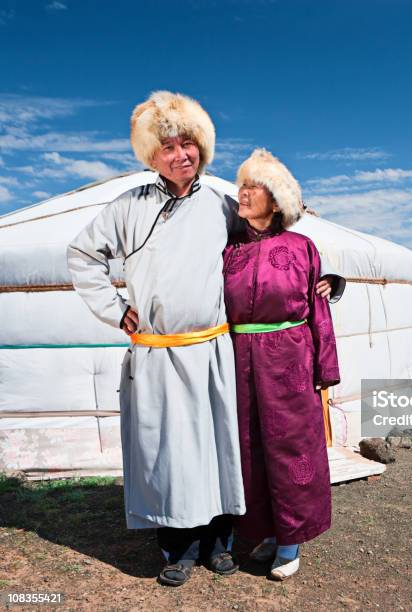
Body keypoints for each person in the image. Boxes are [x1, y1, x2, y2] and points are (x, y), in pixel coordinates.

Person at [67, 91, 341, 586]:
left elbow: (272, 239)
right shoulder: (127, 208)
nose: (180, 156)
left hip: (216, 350)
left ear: (203, 149)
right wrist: (115, 309)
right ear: (151, 156)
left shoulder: (221, 204)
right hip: (158, 352)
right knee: (169, 452)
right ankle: (178, 548)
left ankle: (219, 543)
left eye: (188, 145)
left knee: (218, 450)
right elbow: (82, 255)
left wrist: (328, 279)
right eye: (168, 147)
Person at [222, 149, 340, 581]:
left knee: (291, 450)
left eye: (254, 187)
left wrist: (325, 369)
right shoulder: (228, 252)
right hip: (237, 358)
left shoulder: (302, 247)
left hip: (289, 357)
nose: (244, 192)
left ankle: (290, 541)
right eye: (243, 185)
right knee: (249, 448)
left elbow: (318, 308)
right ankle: (264, 530)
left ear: (276, 202)